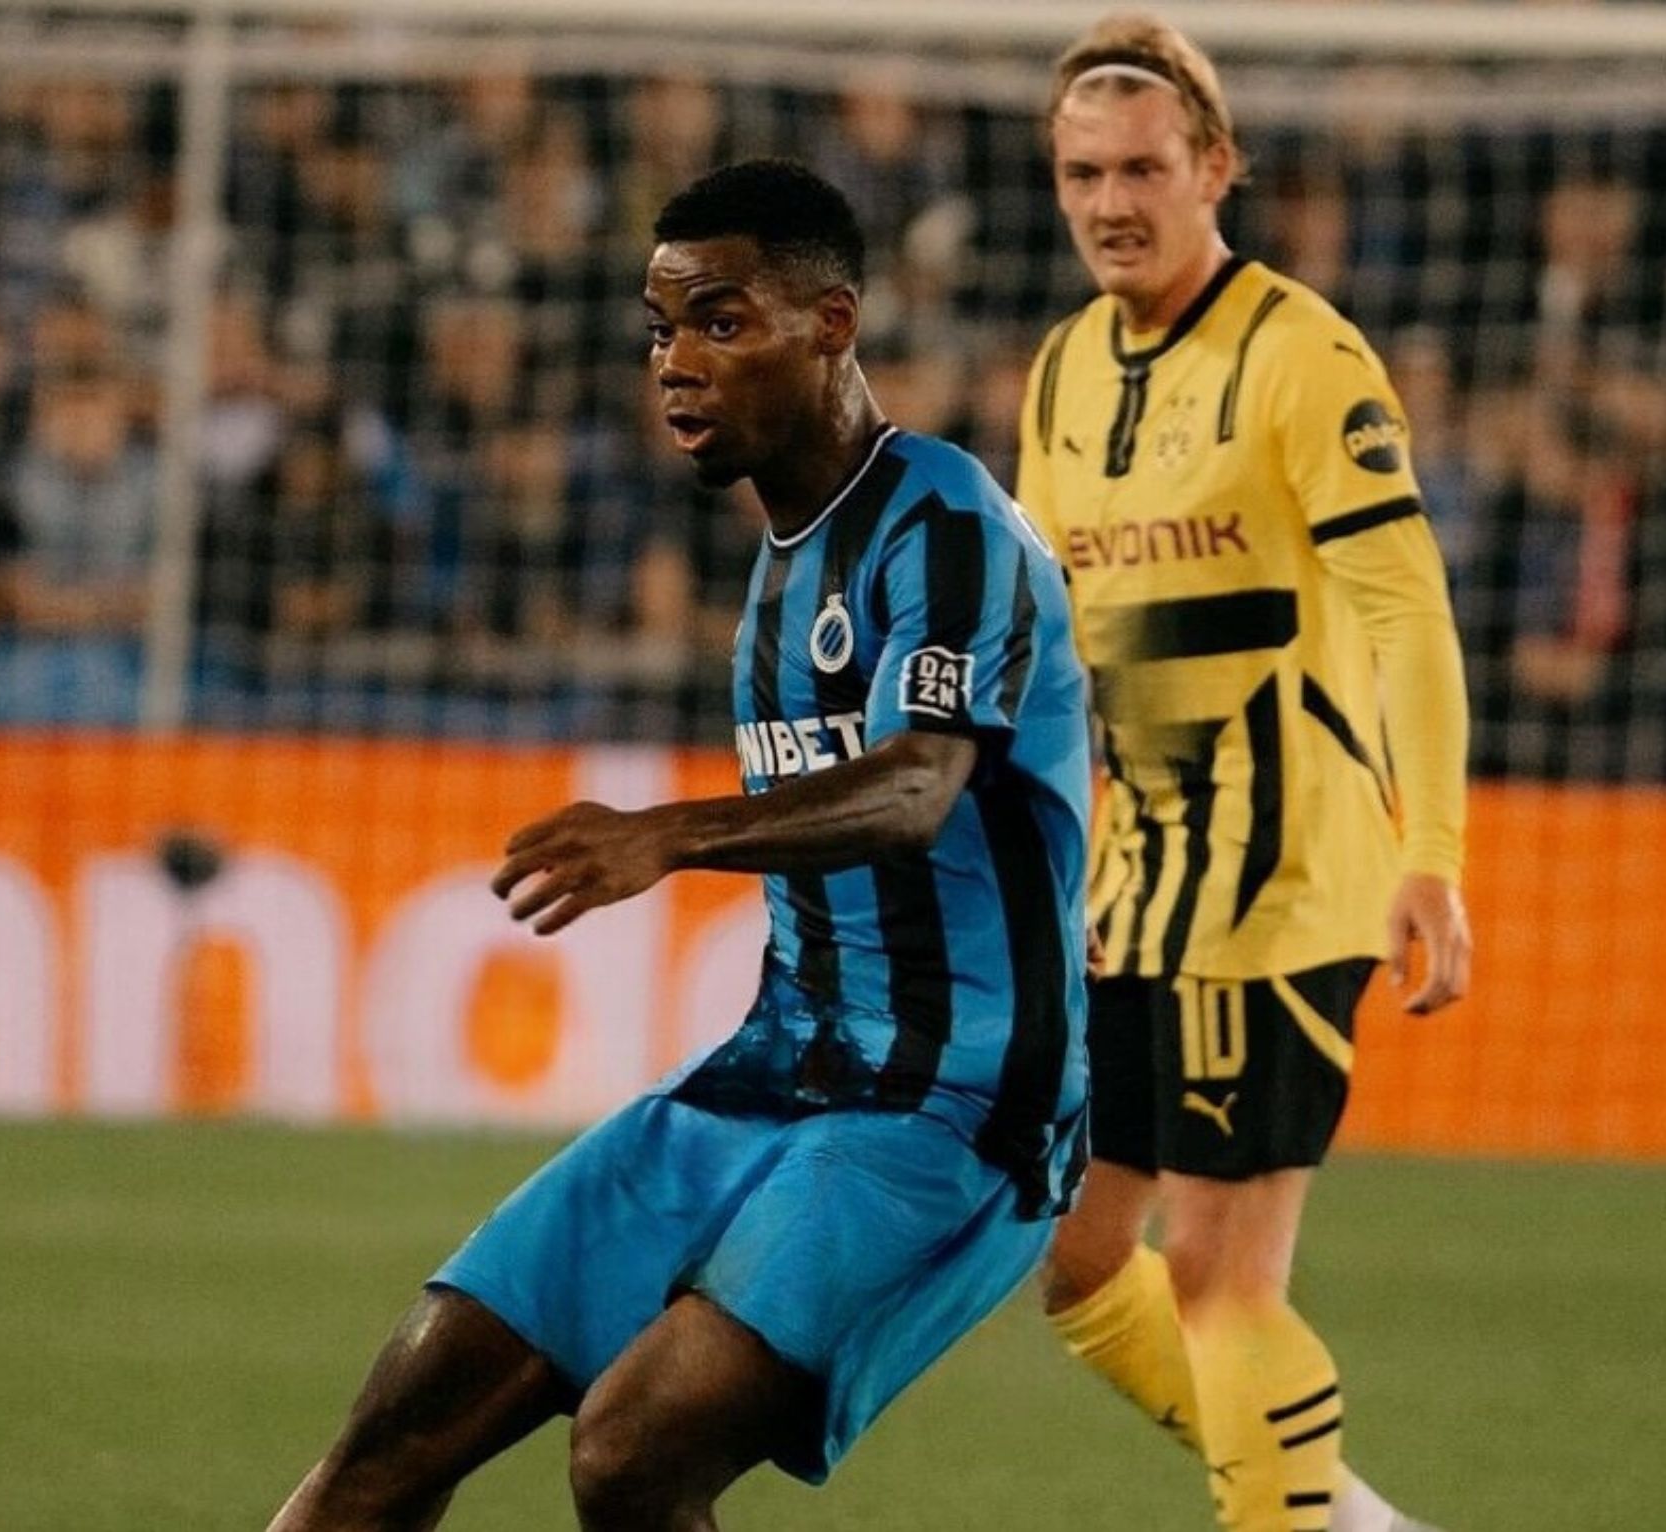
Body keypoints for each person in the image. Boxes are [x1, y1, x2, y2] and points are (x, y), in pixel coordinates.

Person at [267, 158, 1093, 1532]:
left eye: (720, 322)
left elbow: (917, 789)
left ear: (831, 325)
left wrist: (667, 834)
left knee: (632, 1452)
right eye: (660, 332)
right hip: (771, 1075)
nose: (676, 364)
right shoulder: (777, 573)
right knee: (389, 1441)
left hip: (954, 1108)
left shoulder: (949, 525)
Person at [1011, 16, 1473, 1532]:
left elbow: (1409, 614)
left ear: (1217, 168)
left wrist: (1434, 853)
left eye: (1142, 168)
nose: (1111, 203)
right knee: (1081, 1262)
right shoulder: (1064, 372)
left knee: (1221, 1276)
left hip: (1284, 882)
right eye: (1084, 173)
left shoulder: (1304, 357)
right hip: (1138, 888)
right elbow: (1061, 643)